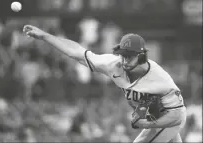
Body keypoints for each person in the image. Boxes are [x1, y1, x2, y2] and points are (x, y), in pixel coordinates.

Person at [23, 25, 186, 143]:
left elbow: (177, 117)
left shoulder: (161, 80)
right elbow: (77, 52)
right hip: (155, 117)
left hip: (169, 118)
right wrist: (45, 36)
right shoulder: (112, 64)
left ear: (141, 56)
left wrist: (147, 123)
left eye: (130, 56)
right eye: (123, 54)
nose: (125, 59)